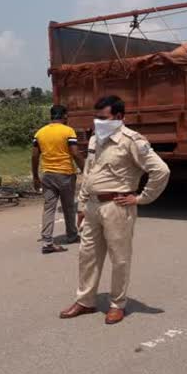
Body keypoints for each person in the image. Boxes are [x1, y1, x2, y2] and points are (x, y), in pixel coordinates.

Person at [59, 95, 170, 325]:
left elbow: (161, 171)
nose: (97, 122)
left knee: (119, 258)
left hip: (117, 206)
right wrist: (81, 205)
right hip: (92, 206)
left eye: (103, 118)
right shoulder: (94, 140)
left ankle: (117, 304)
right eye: (95, 117)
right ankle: (85, 301)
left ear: (119, 117)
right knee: (86, 255)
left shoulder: (132, 141)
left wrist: (141, 198)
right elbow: (89, 173)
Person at [32, 105, 85, 254]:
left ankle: (47, 242)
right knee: (68, 206)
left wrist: (36, 177)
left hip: (47, 175)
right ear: (65, 116)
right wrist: (86, 170)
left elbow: (35, 156)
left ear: (51, 116)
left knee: (49, 207)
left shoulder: (40, 133)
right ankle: (72, 235)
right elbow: (75, 153)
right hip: (65, 174)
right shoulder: (68, 131)